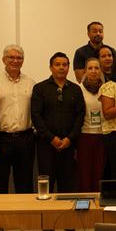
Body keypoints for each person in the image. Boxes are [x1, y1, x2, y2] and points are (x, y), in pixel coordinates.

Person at [31, 53, 85, 192]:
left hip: (69, 145)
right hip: (46, 145)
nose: (61, 68)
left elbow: (80, 115)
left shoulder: (75, 89)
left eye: (65, 65)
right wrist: (51, 138)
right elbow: (36, 116)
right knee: (46, 186)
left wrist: (69, 138)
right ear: (51, 67)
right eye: (57, 64)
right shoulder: (40, 88)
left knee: (68, 185)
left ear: (68, 67)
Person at [0, 44, 36, 193]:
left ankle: (25, 216)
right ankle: (0, 216)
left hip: (26, 138)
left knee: (25, 183)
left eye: (19, 58)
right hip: (1, 139)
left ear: (23, 61)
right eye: (11, 57)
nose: (15, 61)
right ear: (3, 59)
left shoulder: (30, 82)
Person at [77, 58, 105, 191]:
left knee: (99, 173)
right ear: (85, 71)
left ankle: (97, 206)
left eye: (96, 68)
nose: (93, 71)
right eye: (90, 68)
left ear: (100, 71)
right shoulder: (78, 89)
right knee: (84, 174)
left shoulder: (106, 89)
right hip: (84, 136)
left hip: (102, 135)